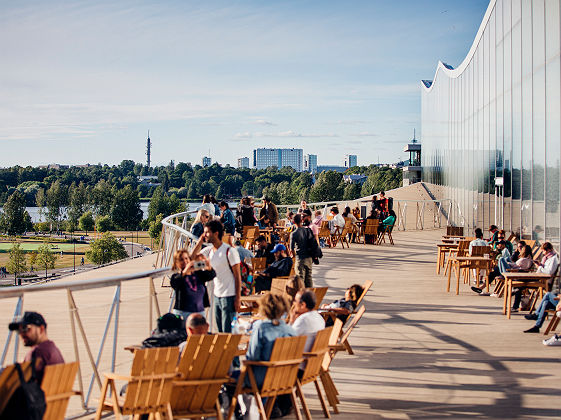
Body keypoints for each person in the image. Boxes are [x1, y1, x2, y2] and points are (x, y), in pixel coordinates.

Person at [192, 220, 241, 333]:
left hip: (229, 295)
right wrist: (199, 241)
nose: (204, 235)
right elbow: (191, 259)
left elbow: (237, 276)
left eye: (207, 232)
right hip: (216, 295)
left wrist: (237, 298)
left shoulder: (230, 251)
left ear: (216, 233)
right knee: (219, 330)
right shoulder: (209, 252)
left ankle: (229, 350)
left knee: (227, 331)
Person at [8, 311, 64, 383]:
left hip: (35, 393)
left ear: (41, 329)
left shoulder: (37, 352)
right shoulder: (53, 349)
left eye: (25, 328)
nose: (21, 334)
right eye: (19, 331)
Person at [170, 249, 216, 320]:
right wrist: (185, 271)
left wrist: (208, 265)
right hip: (183, 313)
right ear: (176, 263)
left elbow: (211, 275)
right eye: (181, 260)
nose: (185, 261)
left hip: (199, 312)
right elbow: (175, 283)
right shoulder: (176, 277)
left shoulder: (198, 274)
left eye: (186, 258)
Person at [290, 214, 314, 288]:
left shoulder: (294, 234)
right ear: (301, 220)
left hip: (300, 258)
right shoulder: (308, 230)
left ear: (293, 222)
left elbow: (291, 249)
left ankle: (301, 296)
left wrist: (293, 256)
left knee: (300, 279)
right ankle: (310, 295)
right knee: (309, 278)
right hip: (309, 257)